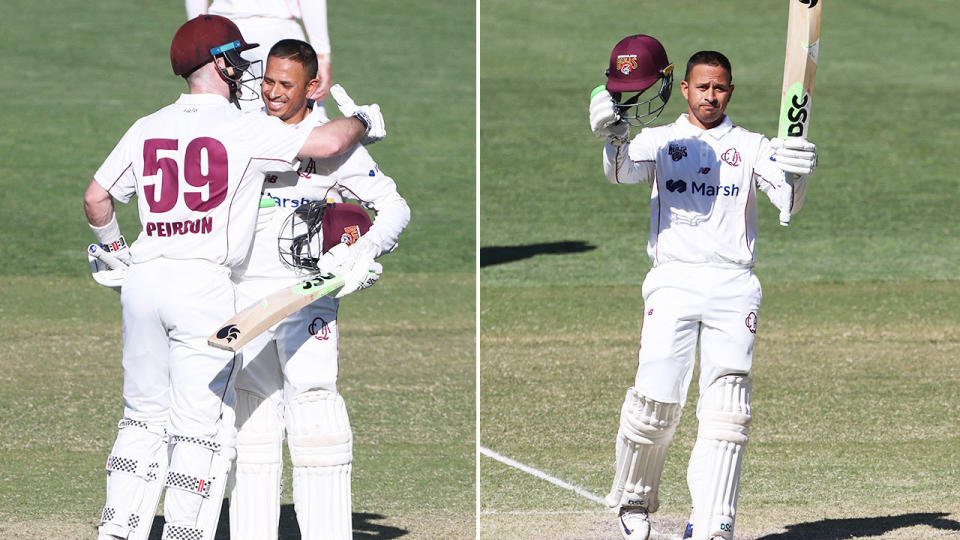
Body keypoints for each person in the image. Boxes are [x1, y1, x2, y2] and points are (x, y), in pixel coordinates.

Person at [84, 15, 385, 540]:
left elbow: (95, 198)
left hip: (143, 280)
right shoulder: (242, 126)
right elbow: (328, 142)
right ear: (218, 63)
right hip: (202, 284)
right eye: (238, 60)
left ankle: (118, 531)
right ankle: (182, 534)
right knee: (199, 429)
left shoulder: (146, 125)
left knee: (140, 417)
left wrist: (115, 253)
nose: (246, 70)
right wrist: (362, 120)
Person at [588, 36, 818, 540]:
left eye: (718, 88)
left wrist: (799, 175)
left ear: (730, 92)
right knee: (655, 398)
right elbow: (621, 172)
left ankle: (714, 522)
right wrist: (613, 137)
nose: (709, 96)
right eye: (701, 87)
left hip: (734, 285)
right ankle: (634, 499)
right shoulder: (662, 140)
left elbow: (789, 206)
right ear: (685, 89)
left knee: (728, 409)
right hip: (672, 280)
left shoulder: (755, 146)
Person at [227, 39, 410, 540]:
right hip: (247, 295)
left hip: (310, 293)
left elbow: (395, 207)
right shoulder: (244, 130)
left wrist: (362, 252)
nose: (272, 92)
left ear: (312, 87)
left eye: (286, 85)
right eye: (267, 80)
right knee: (253, 418)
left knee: (315, 407)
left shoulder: (329, 140)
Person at [185, 0, 332, 111]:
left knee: (228, 113)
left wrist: (199, 33)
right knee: (302, 115)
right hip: (280, 27)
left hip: (224, 32)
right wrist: (322, 54)